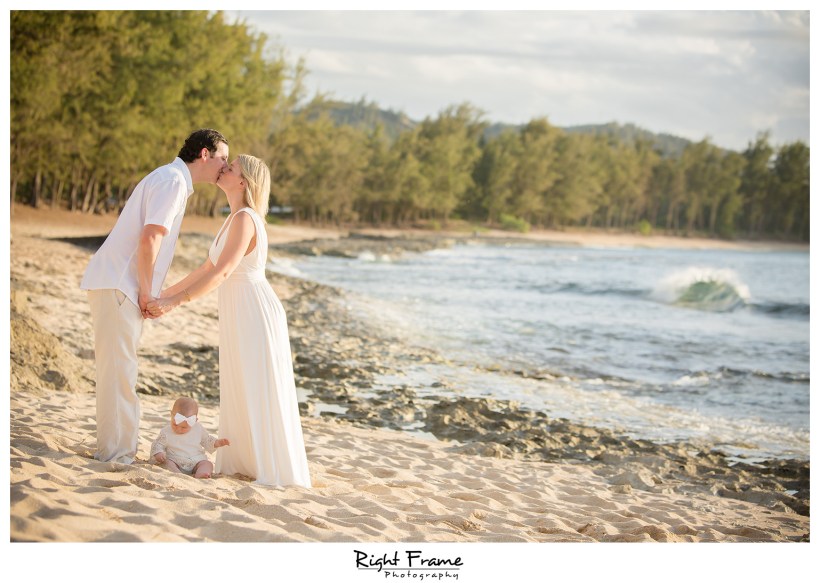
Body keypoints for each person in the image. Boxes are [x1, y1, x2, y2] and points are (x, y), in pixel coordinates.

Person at [147, 155, 311, 488]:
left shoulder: (246, 219)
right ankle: (245, 461)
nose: (224, 168)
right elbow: (205, 269)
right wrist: (161, 295)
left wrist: (174, 302)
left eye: (231, 166)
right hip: (239, 308)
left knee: (257, 385)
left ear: (244, 182)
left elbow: (223, 272)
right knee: (240, 383)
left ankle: (270, 466)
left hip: (253, 309)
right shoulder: (232, 218)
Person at [81, 129, 229, 465]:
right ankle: (117, 455)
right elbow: (150, 238)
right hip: (121, 285)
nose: (226, 165)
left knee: (115, 372)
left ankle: (111, 450)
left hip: (116, 283)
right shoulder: (173, 181)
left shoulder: (171, 178)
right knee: (121, 374)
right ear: (204, 154)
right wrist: (148, 293)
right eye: (223, 157)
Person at [150, 396, 230, 478]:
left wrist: (218, 443)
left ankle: (201, 473)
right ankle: (178, 475)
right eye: (175, 424)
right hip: (175, 460)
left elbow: (207, 440)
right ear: (171, 415)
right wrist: (158, 453)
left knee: (208, 464)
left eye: (184, 427)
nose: (178, 429)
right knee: (167, 463)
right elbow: (158, 444)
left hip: (196, 460)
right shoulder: (166, 431)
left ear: (194, 421)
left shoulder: (198, 429)